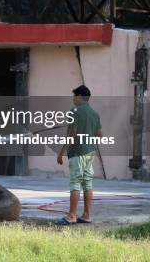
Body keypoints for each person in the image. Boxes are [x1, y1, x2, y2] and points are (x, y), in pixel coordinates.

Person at [56, 85, 102, 225]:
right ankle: (87, 215)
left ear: (80, 96)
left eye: (74, 96)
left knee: (75, 182)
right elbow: (99, 136)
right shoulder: (95, 114)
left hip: (77, 152)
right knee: (87, 182)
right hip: (90, 152)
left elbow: (72, 134)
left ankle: (71, 216)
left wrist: (61, 153)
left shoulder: (74, 111)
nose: (73, 99)